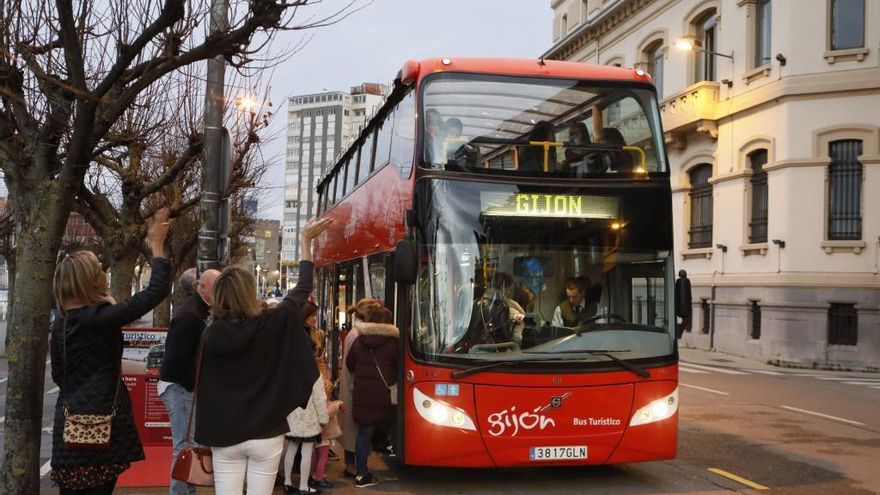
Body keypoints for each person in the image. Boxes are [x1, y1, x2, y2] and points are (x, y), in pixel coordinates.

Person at [193, 218, 331, 495]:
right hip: (266, 431)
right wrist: (305, 241)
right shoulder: (271, 321)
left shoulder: (210, 335)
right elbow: (302, 288)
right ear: (249, 292)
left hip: (224, 433)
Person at [50, 208, 172, 495]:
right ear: (89, 281)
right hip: (101, 428)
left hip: (69, 430)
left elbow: (59, 375)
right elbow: (155, 291)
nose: (103, 274)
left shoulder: (64, 321)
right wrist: (156, 245)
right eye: (98, 272)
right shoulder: (99, 318)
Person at [159, 267, 220, 495]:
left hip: (181, 385)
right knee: (185, 446)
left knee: (187, 446)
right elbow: (176, 359)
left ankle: (184, 492)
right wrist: (194, 384)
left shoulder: (195, 311)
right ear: (201, 288)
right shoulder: (191, 316)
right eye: (216, 288)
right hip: (180, 387)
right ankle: (180, 492)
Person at [346, 306, 399, 488]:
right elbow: (400, 366)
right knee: (391, 424)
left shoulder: (359, 341)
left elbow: (350, 364)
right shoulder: (394, 343)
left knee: (364, 433)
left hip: (363, 396)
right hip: (384, 396)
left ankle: (361, 474)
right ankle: (391, 451)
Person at [338, 298, 382, 479]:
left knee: (351, 428)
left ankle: (350, 464)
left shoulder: (353, 333)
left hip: (351, 385)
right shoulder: (359, 335)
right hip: (355, 386)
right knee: (356, 430)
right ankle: (354, 467)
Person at [283, 373, 328, 495]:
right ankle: (303, 486)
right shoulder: (314, 373)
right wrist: (324, 419)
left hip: (293, 418)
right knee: (307, 451)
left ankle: (287, 482)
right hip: (309, 419)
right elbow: (320, 399)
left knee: (291, 449)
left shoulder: (289, 370)